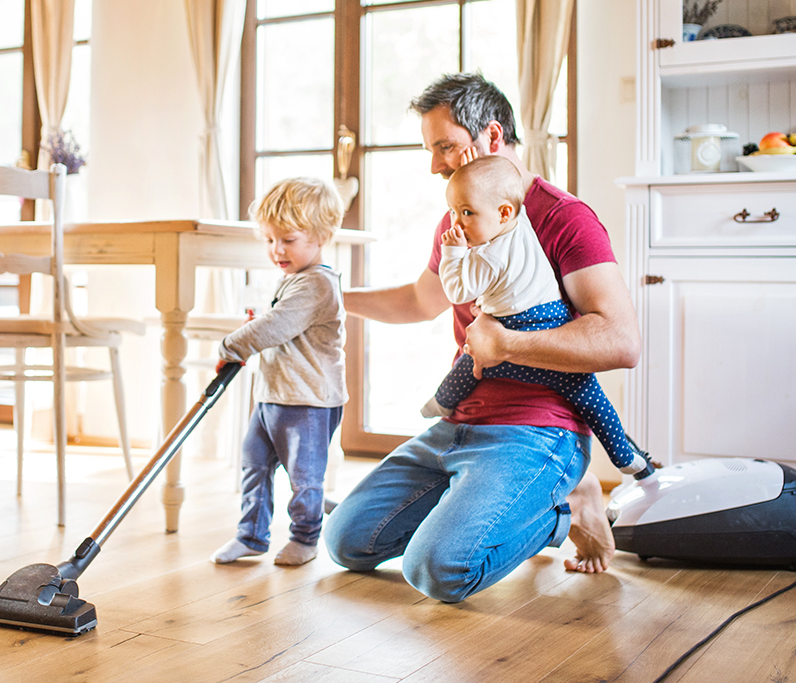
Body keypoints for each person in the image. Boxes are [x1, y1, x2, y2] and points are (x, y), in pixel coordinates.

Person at [324, 73, 639, 599]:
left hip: (537, 428)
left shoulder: (565, 219)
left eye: (444, 146)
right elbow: (419, 301)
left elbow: (620, 340)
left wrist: (510, 344)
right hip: (459, 423)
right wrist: (330, 296)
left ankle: (568, 503)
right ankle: (488, 501)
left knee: (438, 571)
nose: (434, 165)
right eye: (430, 150)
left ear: (492, 137)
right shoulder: (460, 219)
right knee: (347, 543)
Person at [421, 155, 647, 477]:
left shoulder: (488, 257)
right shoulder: (521, 221)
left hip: (515, 331)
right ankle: (626, 457)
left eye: (466, 213)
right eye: (454, 212)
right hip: (551, 317)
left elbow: (458, 291)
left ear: (503, 212)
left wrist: (453, 253)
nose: (455, 224)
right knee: (590, 398)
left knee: (471, 365)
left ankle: (442, 402)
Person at [210, 177, 348, 568]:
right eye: (270, 239)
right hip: (273, 394)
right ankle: (251, 535)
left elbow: (275, 327)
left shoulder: (318, 284)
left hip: (307, 400)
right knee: (254, 460)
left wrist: (230, 345)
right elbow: (275, 324)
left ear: (322, 235)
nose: (276, 250)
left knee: (304, 475)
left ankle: (305, 538)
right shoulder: (294, 279)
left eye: (287, 239)